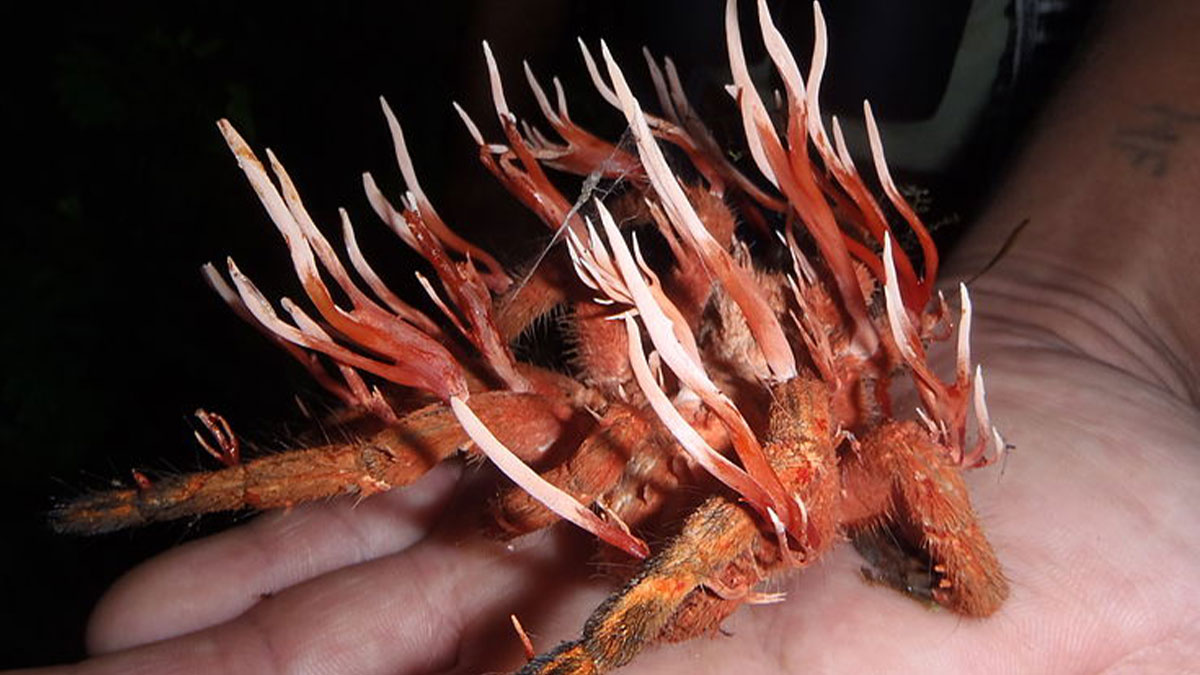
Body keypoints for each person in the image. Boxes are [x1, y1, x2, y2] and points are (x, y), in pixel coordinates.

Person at [36, 0, 1200, 672]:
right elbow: (541, 330)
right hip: (626, 471)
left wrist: (623, 627)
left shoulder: (832, 418)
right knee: (457, 417)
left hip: (765, 510)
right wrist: (489, 337)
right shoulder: (617, 371)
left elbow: (876, 443)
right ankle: (154, 501)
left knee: (842, 427)